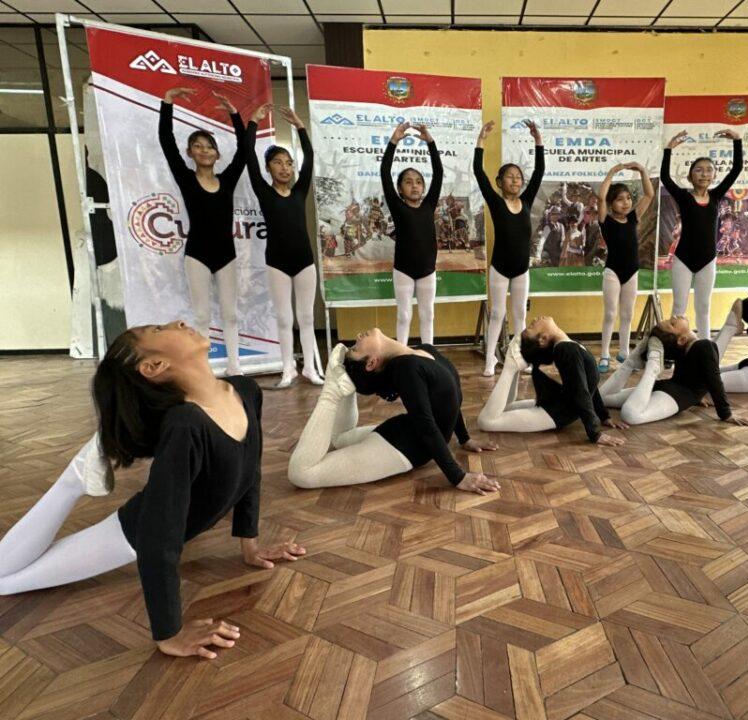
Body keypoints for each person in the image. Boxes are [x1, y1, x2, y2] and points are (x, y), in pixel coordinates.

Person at [0, 321, 305, 659]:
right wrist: (168, 634)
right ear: (154, 366)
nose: (178, 322)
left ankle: (78, 475)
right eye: (160, 329)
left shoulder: (246, 390)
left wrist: (250, 545)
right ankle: (73, 481)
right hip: (132, 536)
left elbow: (251, 470)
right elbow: (160, 534)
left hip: (152, 531)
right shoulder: (185, 425)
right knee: (1, 580)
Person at [287, 329, 500, 494]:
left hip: (402, 437)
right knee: (301, 474)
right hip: (402, 447)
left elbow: (450, 399)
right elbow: (426, 424)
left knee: (340, 438)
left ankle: (343, 384)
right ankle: (335, 389)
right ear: (372, 362)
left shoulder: (424, 350)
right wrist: (458, 477)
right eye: (356, 348)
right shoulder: (407, 368)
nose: (358, 337)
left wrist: (464, 439)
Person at [159, 87, 246, 375]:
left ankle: (234, 365)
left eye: (209, 146)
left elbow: (245, 150)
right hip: (197, 253)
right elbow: (166, 142)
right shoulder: (185, 178)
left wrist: (235, 114)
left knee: (231, 314)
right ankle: (204, 368)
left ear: (217, 154)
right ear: (190, 153)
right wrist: (167, 103)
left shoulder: (228, 179)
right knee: (202, 315)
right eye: (198, 146)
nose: (204, 150)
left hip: (226, 254)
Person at [245, 103, 321, 388]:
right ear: (268, 168)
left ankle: (310, 368)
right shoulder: (264, 192)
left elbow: (310, 157)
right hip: (276, 262)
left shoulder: (300, 191)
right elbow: (248, 159)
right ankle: (288, 368)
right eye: (278, 162)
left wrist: (300, 126)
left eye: (288, 163)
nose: (285, 167)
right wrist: (253, 121)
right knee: (284, 317)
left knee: (306, 317)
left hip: (304, 262)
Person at [477, 317, 628, 445]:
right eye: (532, 326)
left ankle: (511, 367)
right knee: (495, 414)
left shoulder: (568, 347)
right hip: (555, 408)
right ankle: (511, 367)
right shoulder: (566, 350)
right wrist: (596, 432)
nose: (535, 319)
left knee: (488, 420)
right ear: (543, 338)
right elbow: (581, 390)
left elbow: (586, 387)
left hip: (556, 412)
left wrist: (602, 417)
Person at [474, 119, 544, 377]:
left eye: (518, 177)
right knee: (497, 314)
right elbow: (479, 174)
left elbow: (538, 173)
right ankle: (490, 359)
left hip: (521, 268)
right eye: (509, 177)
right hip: (500, 268)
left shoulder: (526, 200)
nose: (515, 180)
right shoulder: (495, 201)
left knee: (520, 317)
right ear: (500, 181)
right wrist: (481, 141)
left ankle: (520, 357)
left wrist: (538, 142)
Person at [661, 129, 743, 339]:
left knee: (703, 308)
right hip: (683, 259)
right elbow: (665, 177)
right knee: (679, 309)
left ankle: (705, 348)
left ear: (714, 175)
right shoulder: (684, 197)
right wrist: (668, 149)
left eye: (709, 170)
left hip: (708, 260)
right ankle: (674, 349)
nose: (704, 174)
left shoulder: (716, 197)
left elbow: (736, 169)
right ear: (690, 176)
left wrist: (737, 142)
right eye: (699, 170)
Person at [598, 316, 748, 426]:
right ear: (681, 339)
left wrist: (699, 395)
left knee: (626, 411)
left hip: (673, 393)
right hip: (675, 392)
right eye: (672, 323)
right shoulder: (704, 345)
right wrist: (726, 414)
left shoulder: (692, 346)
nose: (674, 316)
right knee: (604, 401)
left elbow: (705, 377)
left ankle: (642, 363)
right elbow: (714, 379)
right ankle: (646, 365)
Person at [380, 121, 444, 346]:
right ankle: (402, 352)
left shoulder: (429, 204)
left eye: (418, 182)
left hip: (427, 270)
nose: (414, 186)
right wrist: (394, 141)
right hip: (403, 270)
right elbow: (385, 172)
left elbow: (438, 173)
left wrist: (431, 143)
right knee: (404, 315)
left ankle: (429, 352)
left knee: (428, 315)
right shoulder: (398, 207)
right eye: (408, 182)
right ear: (400, 189)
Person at [596, 161, 654, 372]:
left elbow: (649, 195)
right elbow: (600, 197)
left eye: (628, 198)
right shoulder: (605, 220)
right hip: (612, 272)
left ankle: (624, 353)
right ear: (611, 204)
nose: (626, 203)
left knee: (627, 314)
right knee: (611, 313)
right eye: (620, 200)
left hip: (632, 272)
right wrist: (612, 172)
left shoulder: (633, 218)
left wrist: (642, 171)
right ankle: (603, 354)